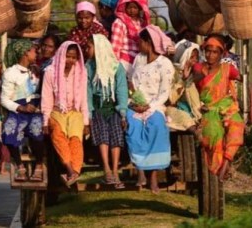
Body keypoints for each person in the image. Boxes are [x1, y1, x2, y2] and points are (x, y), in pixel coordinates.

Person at [126, 25, 174, 194]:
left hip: (155, 105)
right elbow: (131, 81)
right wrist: (134, 103)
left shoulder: (165, 64)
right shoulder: (139, 59)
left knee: (156, 126)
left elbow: (164, 93)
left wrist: (149, 107)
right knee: (132, 126)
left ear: (149, 42)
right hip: (135, 103)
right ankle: (140, 171)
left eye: (141, 41)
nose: (138, 44)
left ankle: (153, 176)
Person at [190, 35, 244, 181]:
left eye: (215, 52)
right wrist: (202, 73)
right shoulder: (198, 67)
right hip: (208, 109)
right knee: (214, 134)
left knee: (237, 127)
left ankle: (226, 163)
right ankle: (218, 168)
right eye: (208, 51)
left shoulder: (228, 68)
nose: (211, 55)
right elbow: (193, 81)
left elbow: (243, 79)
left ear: (222, 54)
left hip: (227, 107)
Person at [41, 41, 89, 187]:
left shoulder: (81, 72)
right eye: (68, 56)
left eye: (74, 57)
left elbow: (83, 98)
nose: (71, 60)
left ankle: (74, 171)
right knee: (58, 134)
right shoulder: (50, 72)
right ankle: (70, 170)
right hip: (57, 111)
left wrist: (86, 122)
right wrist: (45, 122)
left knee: (76, 138)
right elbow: (47, 98)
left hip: (75, 112)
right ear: (61, 55)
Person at [85, 34, 128, 189]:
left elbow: (121, 90)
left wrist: (122, 112)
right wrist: (89, 113)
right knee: (102, 132)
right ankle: (107, 169)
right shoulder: (88, 67)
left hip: (113, 108)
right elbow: (87, 92)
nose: (87, 50)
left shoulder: (117, 67)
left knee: (116, 132)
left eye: (90, 47)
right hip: (97, 108)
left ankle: (115, 170)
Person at [1, 39, 45, 182]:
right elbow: (4, 100)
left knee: (37, 129)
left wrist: (36, 106)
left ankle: (39, 165)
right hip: (19, 110)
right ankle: (20, 166)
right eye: (33, 50)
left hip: (36, 108)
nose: (36, 53)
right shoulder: (10, 73)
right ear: (25, 53)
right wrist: (21, 108)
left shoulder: (38, 70)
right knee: (8, 130)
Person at [111, 0, 152, 77]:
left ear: (140, 8)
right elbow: (115, 46)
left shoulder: (142, 23)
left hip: (139, 60)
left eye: (135, 8)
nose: (132, 10)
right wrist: (114, 65)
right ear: (124, 6)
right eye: (129, 7)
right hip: (124, 61)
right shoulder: (120, 22)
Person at [166, 40, 203, 134]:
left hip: (186, 107)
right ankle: (197, 133)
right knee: (185, 118)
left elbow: (193, 99)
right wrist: (182, 80)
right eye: (192, 57)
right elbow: (171, 99)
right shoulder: (171, 72)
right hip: (170, 108)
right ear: (184, 57)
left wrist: (187, 80)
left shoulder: (190, 73)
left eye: (196, 57)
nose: (195, 60)